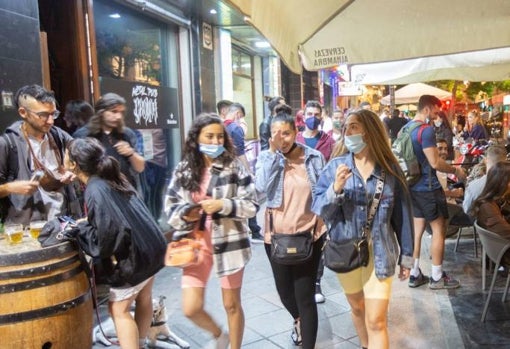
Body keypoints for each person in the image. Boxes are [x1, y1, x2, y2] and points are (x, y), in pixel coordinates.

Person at [312, 109, 413, 349]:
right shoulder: (336, 167)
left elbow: (402, 216)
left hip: (381, 252)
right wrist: (335, 188)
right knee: (357, 309)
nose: (347, 132)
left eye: (353, 126)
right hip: (346, 251)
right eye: (346, 127)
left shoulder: (390, 170)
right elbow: (319, 209)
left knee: (376, 320)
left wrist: (407, 257)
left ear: (369, 131)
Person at [65, 137, 167, 349]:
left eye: (66, 154)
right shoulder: (112, 178)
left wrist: (81, 228)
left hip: (137, 255)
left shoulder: (94, 189)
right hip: (153, 247)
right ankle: (139, 343)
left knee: (118, 310)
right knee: (144, 298)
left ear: (74, 164)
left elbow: (106, 238)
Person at [164, 114, 256, 349]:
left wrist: (223, 205)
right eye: (209, 136)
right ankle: (218, 334)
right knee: (191, 307)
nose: (215, 142)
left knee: (232, 305)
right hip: (195, 244)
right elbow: (170, 206)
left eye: (219, 137)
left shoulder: (233, 166)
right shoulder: (185, 169)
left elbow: (252, 204)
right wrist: (186, 213)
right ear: (196, 138)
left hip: (230, 243)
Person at [255, 105, 326, 349]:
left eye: (285, 133)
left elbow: (323, 194)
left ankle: (308, 339)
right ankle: (298, 320)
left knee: (305, 296)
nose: (280, 138)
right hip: (275, 237)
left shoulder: (314, 158)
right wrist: (274, 154)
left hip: (309, 235)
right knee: (285, 292)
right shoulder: (266, 157)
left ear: (295, 132)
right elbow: (260, 187)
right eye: (275, 133)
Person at [407, 95, 466, 290]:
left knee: (417, 233)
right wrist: (455, 170)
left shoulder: (406, 129)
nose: (437, 114)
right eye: (435, 110)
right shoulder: (426, 130)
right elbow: (434, 162)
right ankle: (437, 276)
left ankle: (414, 274)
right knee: (439, 231)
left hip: (412, 187)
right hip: (429, 188)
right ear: (427, 108)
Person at [0, 84, 81, 225]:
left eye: (53, 114)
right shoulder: (8, 144)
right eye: (43, 115)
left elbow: (83, 156)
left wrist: (74, 171)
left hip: (63, 223)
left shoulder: (59, 136)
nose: (51, 121)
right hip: (26, 227)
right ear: (23, 112)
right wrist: (10, 188)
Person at [296, 100, 335, 303]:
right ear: (303, 115)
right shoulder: (295, 139)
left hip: (321, 198)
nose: (313, 117)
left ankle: (316, 281)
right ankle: (302, 279)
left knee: (319, 239)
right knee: (301, 238)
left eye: (317, 114)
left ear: (322, 116)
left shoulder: (329, 142)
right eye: (309, 113)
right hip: (298, 200)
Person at [73, 93, 145, 191]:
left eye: (121, 112)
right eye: (114, 111)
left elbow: (140, 168)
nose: (119, 116)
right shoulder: (84, 135)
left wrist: (130, 153)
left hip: (125, 191)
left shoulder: (127, 134)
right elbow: (76, 170)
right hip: (98, 193)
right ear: (101, 112)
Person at [224, 102, 263, 241]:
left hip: (223, 172)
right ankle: (254, 231)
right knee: (249, 198)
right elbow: (240, 153)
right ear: (238, 114)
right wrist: (248, 171)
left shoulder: (219, 127)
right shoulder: (236, 128)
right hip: (237, 170)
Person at [472, 161, 510, 265]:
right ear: (502, 183)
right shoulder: (487, 207)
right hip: (504, 252)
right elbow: (505, 231)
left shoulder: (491, 201)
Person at [463, 145, 507, 215]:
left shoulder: (473, 186)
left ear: (486, 160)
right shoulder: (506, 185)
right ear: (505, 161)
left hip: (479, 222)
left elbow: (467, 210)